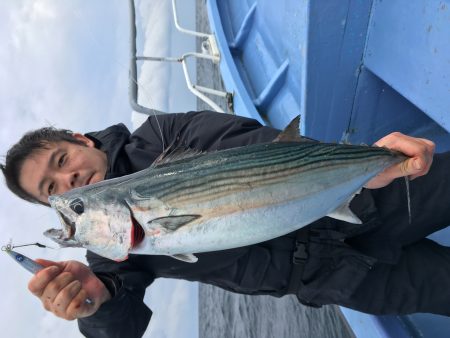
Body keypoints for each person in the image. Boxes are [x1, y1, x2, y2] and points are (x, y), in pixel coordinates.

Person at [1, 110, 446, 338]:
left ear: (82, 139)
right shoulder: (110, 254)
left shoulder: (162, 135)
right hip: (341, 278)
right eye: (53, 191)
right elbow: (123, 326)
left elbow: (271, 153)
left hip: (377, 198)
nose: (69, 179)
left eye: (62, 160)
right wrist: (96, 305)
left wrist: (373, 164)